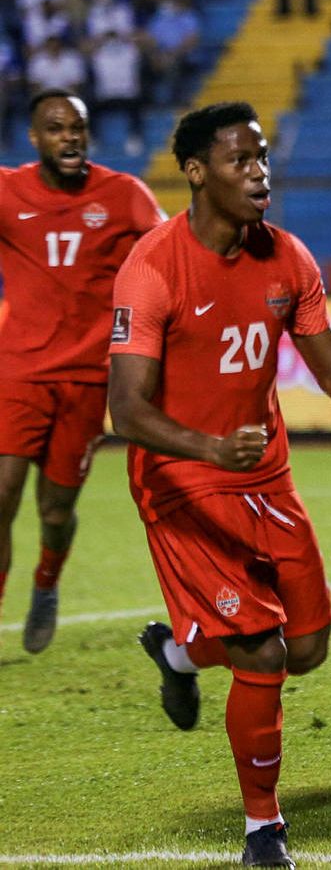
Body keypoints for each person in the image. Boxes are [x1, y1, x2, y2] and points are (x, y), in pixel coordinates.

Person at [112, 102, 331, 868]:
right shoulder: (153, 265)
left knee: (307, 647)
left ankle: (184, 653)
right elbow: (126, 408)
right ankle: (263, 829)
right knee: (261, 650)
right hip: (182, 483)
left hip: (263, 476)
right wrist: (207, 448)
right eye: (240, 160)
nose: (260, 173)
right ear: (197, 172)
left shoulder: (289, 258)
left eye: (262, 158)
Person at [0, 91, 165, 657]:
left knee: (55, 509)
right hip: (17, 371)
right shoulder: (7, 190)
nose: (69, 137)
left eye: (78, 127)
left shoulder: (122, 195)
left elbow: (169, 251)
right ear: (35, 138)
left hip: (88, 378)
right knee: (2, 494)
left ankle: (46, 582)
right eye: (56, 128)